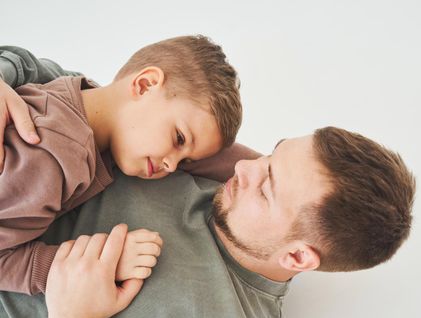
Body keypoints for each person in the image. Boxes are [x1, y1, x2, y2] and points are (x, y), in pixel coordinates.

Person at [0, 48, 416, 318]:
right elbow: (84, 99)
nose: (244, 169)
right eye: (269, 155)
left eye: (267, 185)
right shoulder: (181, 160)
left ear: (297, 258)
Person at [0, 36, 244, 295]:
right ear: (144, 84)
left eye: (185, 160)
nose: (172, 166)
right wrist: (102, 265)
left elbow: (23, 62)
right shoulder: (53, 160)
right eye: (179, 138)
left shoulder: (78, 94)